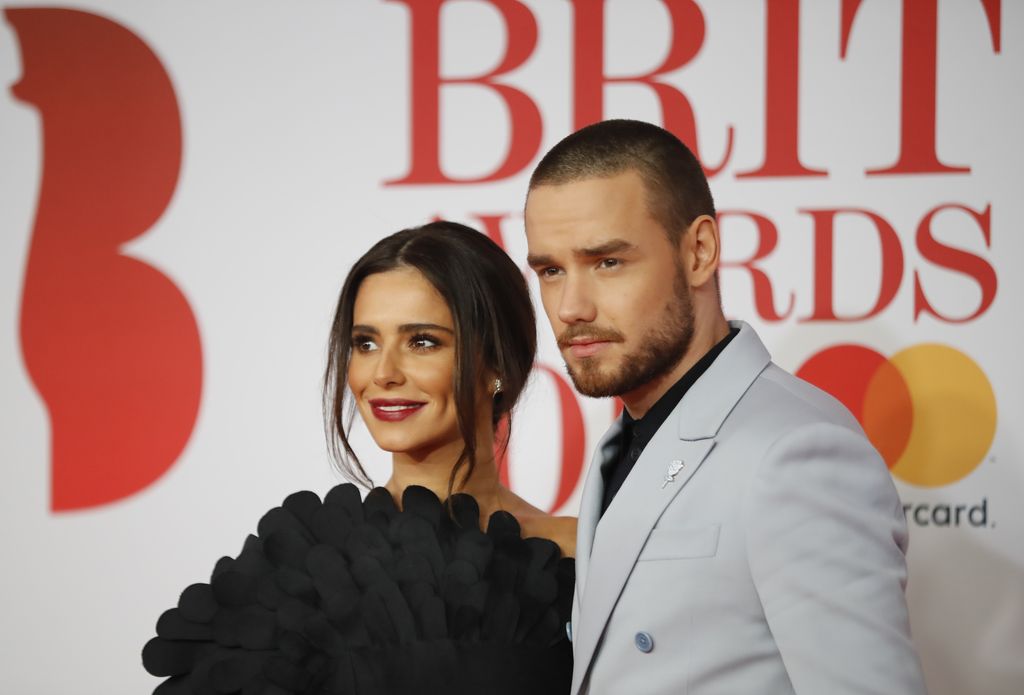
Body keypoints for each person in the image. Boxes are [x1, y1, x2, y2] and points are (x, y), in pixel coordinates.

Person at [523, 120, 927, 695]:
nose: (570, 307)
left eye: (608, 261)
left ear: (700, 251)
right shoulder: (627, 441)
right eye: (551, 270)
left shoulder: (796, 454)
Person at [142, 221, 576, 694]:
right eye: (365, 343)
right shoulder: (298, 571)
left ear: (499, 364)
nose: (383, 373)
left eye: (422, 341)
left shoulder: (581, 554)